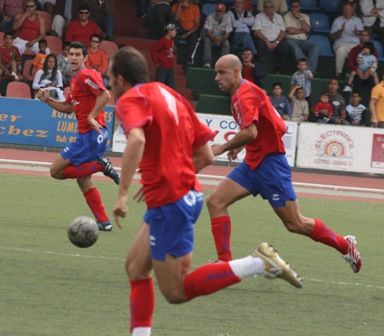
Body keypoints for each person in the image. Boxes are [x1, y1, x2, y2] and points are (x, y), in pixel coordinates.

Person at [109, 46, 302, 336]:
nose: (108, 82)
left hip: (170, 203)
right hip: (184, 194)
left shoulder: (130, 100)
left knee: (176, 290)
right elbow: (205, 156)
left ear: (120, 79)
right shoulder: (168, 93)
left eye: (109, 77)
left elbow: (136, 140)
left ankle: (256, 263)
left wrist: (123, 193)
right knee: (135, 267)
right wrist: (167, 178)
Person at [209, 54, 362, 274]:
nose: (216, 77)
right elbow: (277, 125)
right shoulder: (244, 92)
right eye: (216, 72)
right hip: (253, 163)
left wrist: (222, 148)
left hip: (271, 166)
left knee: (296, 224)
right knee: (215, 202)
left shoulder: (244, 95)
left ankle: (345, 245)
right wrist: (243, 145)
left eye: (221, 72)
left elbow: (251, 131)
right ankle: (225, 262)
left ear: (236, 72)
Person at [35, 41, 120, 231]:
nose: (73, 58)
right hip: (90, 136)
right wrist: (46, 99)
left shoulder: (84, 75)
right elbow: (67, 108)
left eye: (77, 55)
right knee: (84, 180)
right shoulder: (75, 81)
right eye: (71, 54)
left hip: (91, 135)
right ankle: (104, 222)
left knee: (55, 171)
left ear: (85, 58)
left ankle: (100, 164)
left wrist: (91, 116)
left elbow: (105, 95)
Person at [253, 0, 290, 74]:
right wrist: (267, 42)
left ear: (273, 8)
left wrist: (276, 42)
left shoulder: (279, 17)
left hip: (277, 40)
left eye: (270, 7)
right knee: (260, 46)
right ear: (263, 8)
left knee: (285, 48)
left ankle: (279, 71)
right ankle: (260, 70)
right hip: (263, 40)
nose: (268, 9)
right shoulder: (259, 16)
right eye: (266, 7)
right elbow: (256, 31)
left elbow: (283, 31)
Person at [330, 2, 363, 78]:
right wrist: (340, 31)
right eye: (345, 9)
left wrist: (357, 33)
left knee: (359, 51)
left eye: (348, 9)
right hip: (341, 43)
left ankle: (356, 74)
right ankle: (339, 73)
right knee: (341, 50)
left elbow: (363, 36)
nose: (346, 11)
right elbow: (333, 37)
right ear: (342, 10)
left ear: (352, 10)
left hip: (355, 44)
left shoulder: (357, 20)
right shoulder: (338, 20)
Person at [284, 0, 319, 73]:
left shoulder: (305, 16)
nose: (294, 9)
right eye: (292, 7)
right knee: (296, 48)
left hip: (303, 41)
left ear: (299, 7)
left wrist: (300, 18)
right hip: (291, 39)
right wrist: (303, 30)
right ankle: (308, 69)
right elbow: (290, 31)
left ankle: (309, 70)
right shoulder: (286, 16)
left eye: (296, 7)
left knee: (315, 46)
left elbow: (308, 30)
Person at [202, 2, 232, 69]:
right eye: (217, 11)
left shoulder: (227, 18)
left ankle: (224, 64)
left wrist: (221, 39)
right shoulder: (210, 17)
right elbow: (208, 32)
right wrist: (214, 39)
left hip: (220, 37)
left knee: (226, 43)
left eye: (220, 11)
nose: (218, 13)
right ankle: (207, 62)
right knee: (207, 40)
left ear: (224, 11)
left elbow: (227, 34)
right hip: (210, 36)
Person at [171, 0, 200, 65]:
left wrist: (188, 33)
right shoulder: (175, 6)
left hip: (190, 30)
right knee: (173, 27)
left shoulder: (195, 7)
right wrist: (180, 6)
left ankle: (187, 60)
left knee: (194, 37)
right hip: (179, 28)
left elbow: (197, 25)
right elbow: (176, 19)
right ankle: (174, 49)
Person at [150, 22, 176, 89]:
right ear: (169, 31)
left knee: (171, 87)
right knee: (159, 86)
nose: (175, 32)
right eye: (174, 30)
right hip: (162, 67)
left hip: (170, 67)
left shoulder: (172, 41)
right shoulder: (163, 41)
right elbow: (153, 50)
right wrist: (156, 63)